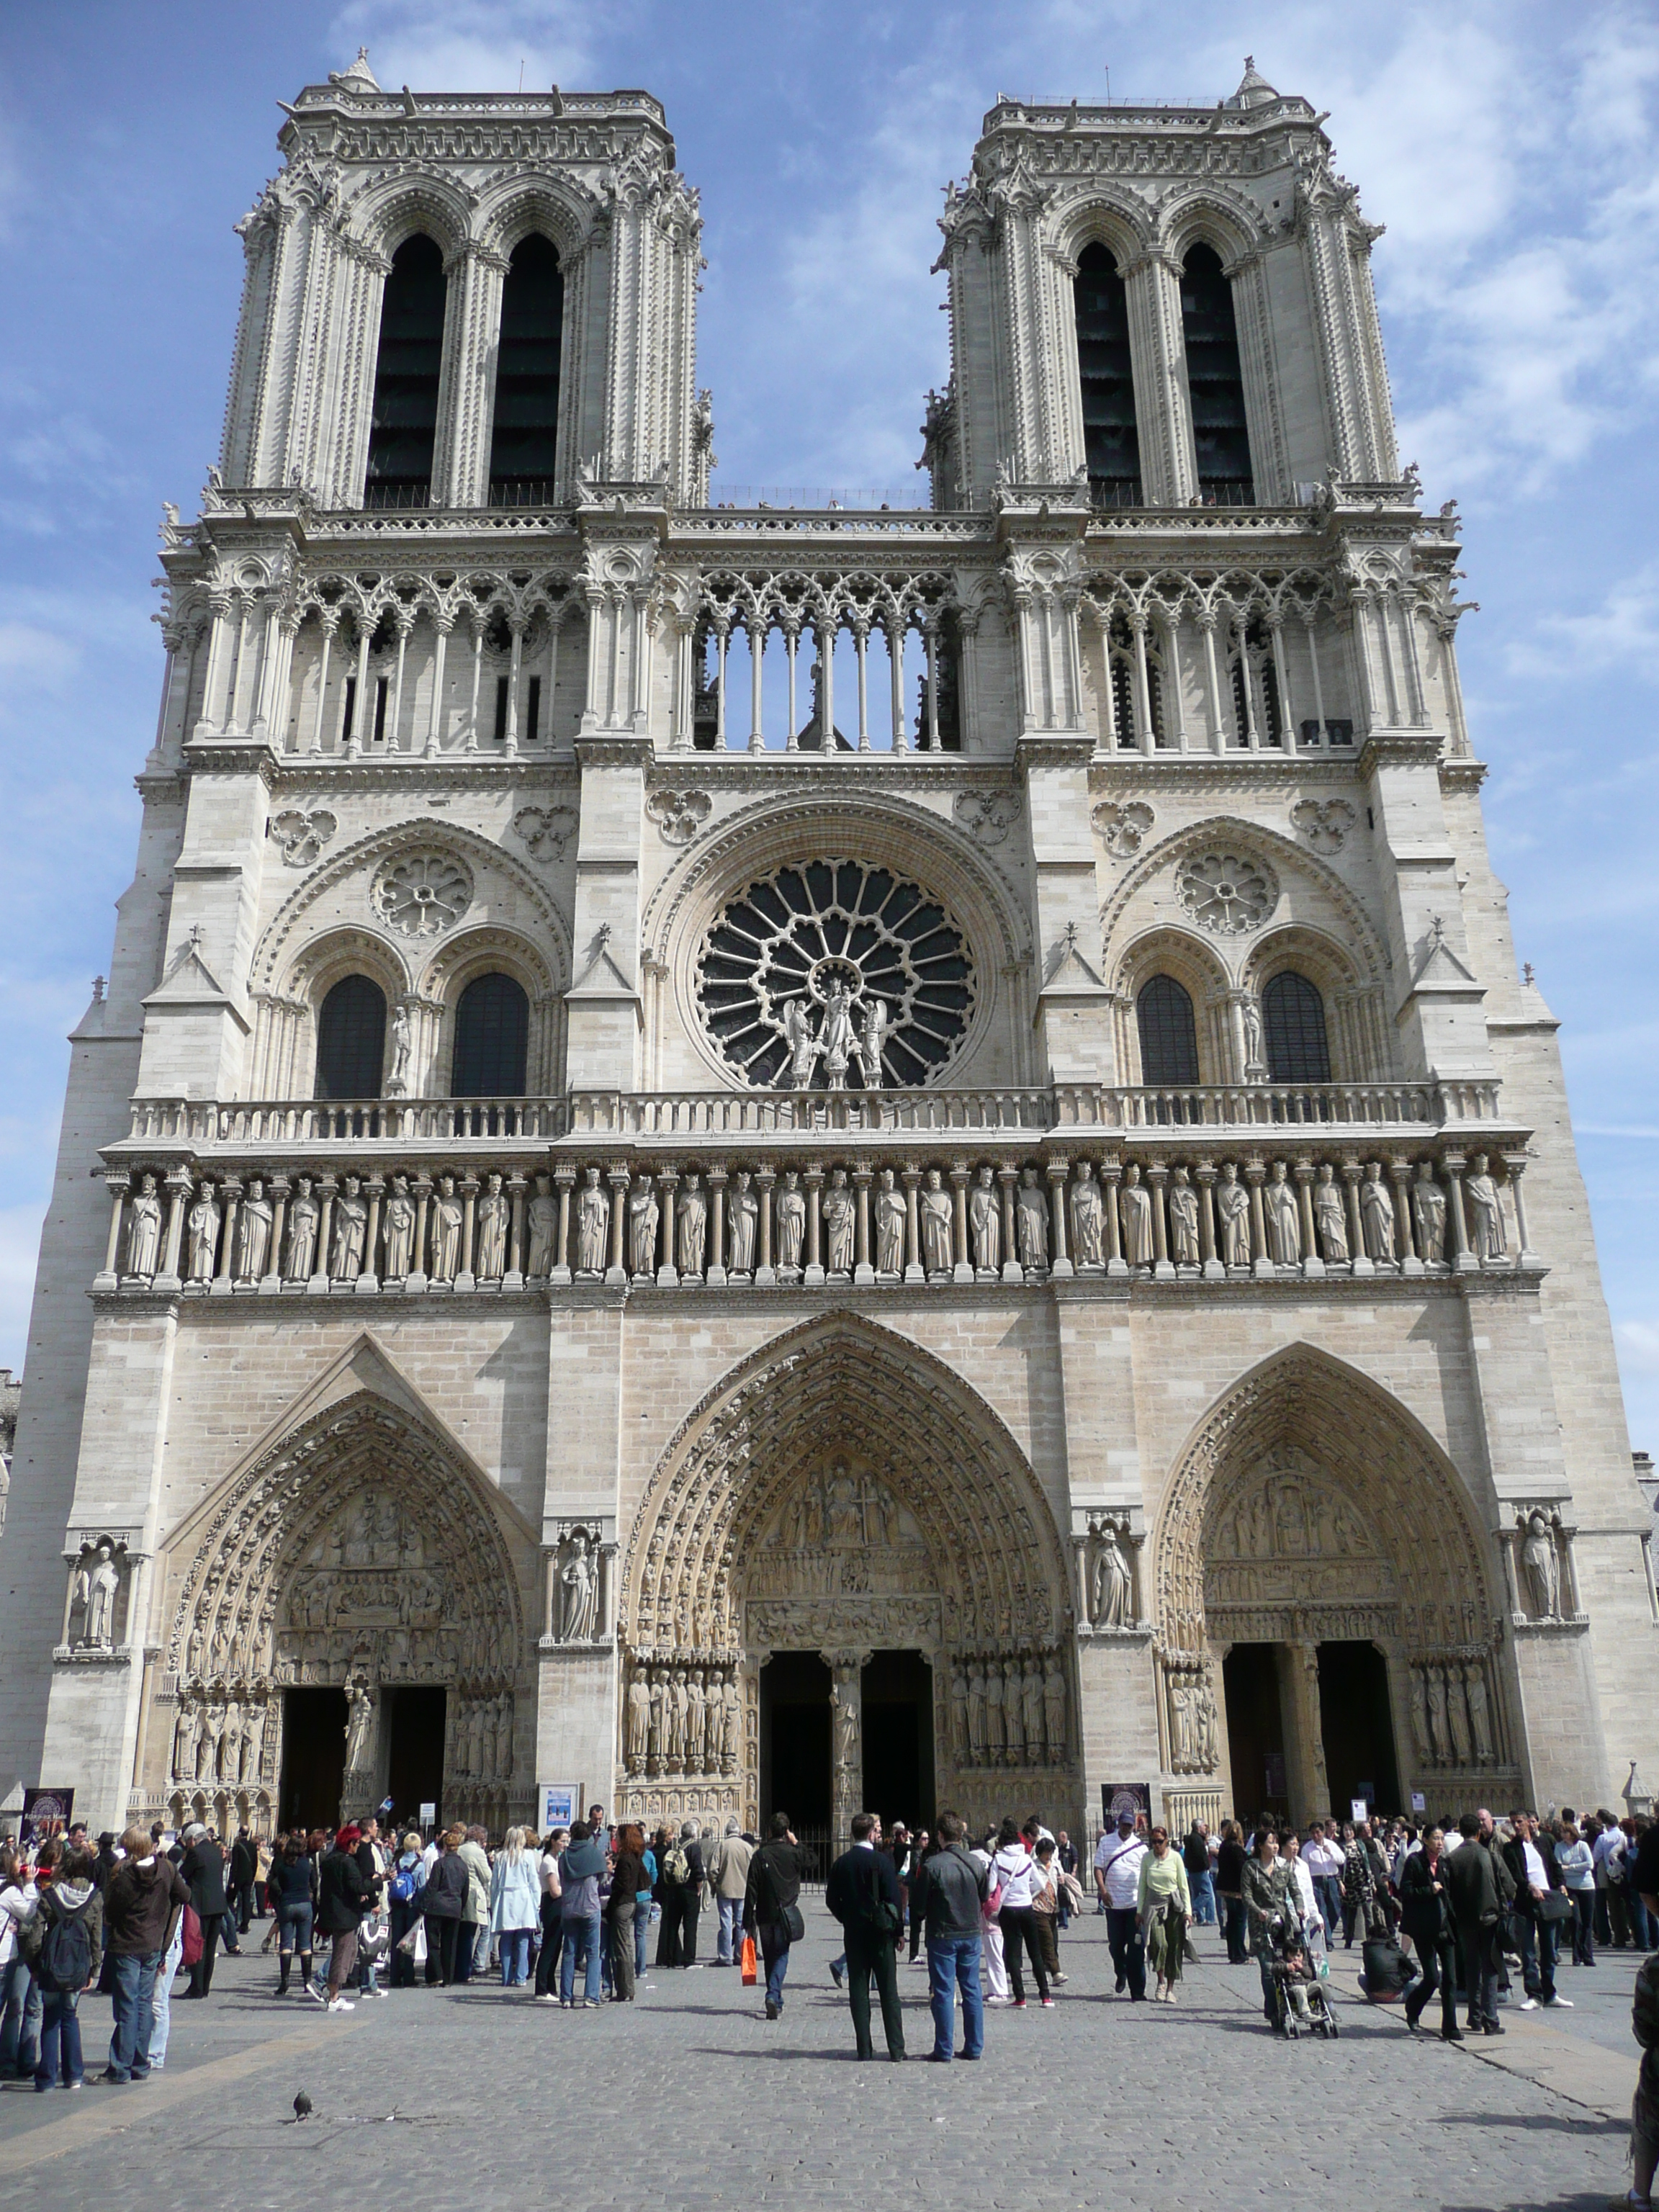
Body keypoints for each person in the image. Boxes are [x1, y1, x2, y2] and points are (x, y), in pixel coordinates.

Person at [99, 1825, 187, 2082]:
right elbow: (185, 1895)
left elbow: (112, 1911)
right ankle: (140, 2063)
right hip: (153, 1945)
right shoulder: (167, 1869)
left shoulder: (125, 1876)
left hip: (127, 1945)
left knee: (127, 2006)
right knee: (144, 2004)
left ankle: (120, 2067)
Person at [20, 1842, 102, 2091]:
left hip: (53, 1965)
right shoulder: (95, 1897)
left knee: (50, 2018)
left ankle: (45, 2078)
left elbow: (35, 1935)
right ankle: (73, 2075)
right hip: (78, 1966)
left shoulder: (51, 1894)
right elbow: (97, 1937)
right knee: (70, 2016)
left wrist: (34, 1964)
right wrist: (94, 1969)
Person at [827, 1812, 906, 2060]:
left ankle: (864, 2049)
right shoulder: (882, 1862)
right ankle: (896, 2049)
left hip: (855, 1934)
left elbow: (832, 1900)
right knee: (888, 1993)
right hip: (881, 1935)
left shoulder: (842, 1863)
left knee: (858, 1991)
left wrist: (847, 1919)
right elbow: (894, 1900)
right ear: (871, 1833)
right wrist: (899, 1932)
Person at [914, 1811, 986, 2062]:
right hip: (971, 1932)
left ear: (940, 1836)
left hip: (943, 1934)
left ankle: (944, 2049)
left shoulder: (932, 1865)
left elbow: (919, 1906)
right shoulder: (976, 1863)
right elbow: (984, 1896)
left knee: (944, 1991)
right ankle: (975, 2047)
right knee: (972, 1989)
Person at [1443, 1812, 1505, 2036]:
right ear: (1479, 1833)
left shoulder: (1451, 1859)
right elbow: (1507, 1883)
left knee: (1471, 1968)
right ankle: (1491, 2019)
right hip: (1489, 1917)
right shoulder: (1488, 1854)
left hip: (1465, 1921)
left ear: (1460, 1833)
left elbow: (1448, 1893)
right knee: (1490, 1968)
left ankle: (1475, 2016)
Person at [1502, 1811, 1570, 2011]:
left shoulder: (1543, 1843)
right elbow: (1514, 1875)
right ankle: (1534, 1994)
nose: (1517, 1825)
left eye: (1520, 1821)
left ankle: (1550, 1992)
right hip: (1526, 1903)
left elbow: (1554, 1866)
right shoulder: (1510, 1848)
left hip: (1548, 1900)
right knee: (1528, 1951)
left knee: (1549, 1949)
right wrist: (1530, 1887)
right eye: (1513, 1822)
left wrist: (1561, 1885)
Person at [1399, 1825, 1461, 2042]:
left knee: (1451, 1979)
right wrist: (1428, 1890)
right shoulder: (1415, 1862)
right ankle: (1413, 2008)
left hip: (1445, 1928)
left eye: (1442, 1838)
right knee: (1433, 1978)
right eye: (1435, 1838)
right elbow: (1404, 1892)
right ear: (1425, 1840)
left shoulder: (1445, 1864)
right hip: (1424, 1928)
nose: (1440, 1843)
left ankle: (1450, 2027)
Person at [742, 1812, 804, 2020]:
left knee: (769, 1956)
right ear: (786, 1832)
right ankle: (773, 1994)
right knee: (782, 1954)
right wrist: (796, 1843)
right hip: (785, 1913)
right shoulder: (793, 1853)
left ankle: (775, 1999)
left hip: (765, 1914)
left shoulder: (760, 1855)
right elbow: (812, 1861)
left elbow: (751, 1888)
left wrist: (747, 1919)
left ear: (769, 1831)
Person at [992, 1816, 1051, 2010]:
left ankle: (1020, 1998)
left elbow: (992, 1886)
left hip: (1008, 1910)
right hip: (1026, 1907)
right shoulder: (1026, 1859)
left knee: (1013, 1953)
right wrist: (1028, 1892)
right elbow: (1041, 1884)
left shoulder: (999, 1859)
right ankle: (1045, 1996)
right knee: (1035, 1952)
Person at [1241, 1828, 1296, 2027]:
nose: (1274, 1846)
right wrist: (1258, 1911)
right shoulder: (1251, 1868)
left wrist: (1300, 1909)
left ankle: (1285, 2006)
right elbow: (1246, 1895)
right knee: (1267, 1969)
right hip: (1260, 1925)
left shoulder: (1284, 1866)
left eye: (1276, 1842)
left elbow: (1294, 1890)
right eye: (1270, 1842)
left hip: (1282, 1923)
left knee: (1284, 1966)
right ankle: (1274, 2011)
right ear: (1260, 1846)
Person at [314, 1825, 370, 2013]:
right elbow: (358, 1885)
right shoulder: (347, 1862)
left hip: (335, 1912)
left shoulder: (331, 1859)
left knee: (350, 1950)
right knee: (342, 1953)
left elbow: (341, 1887)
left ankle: (335, 1991)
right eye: (356, 1844)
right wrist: (380, 1880)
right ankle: (333, 1997)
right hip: (344, 1916)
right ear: (351, 1843)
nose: (358, 1848)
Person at [1096, 1811, 1148, 2001]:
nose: (1126, 1828)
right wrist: (1103, 1891)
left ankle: (1138, 1991)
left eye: (1130, 1825)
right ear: (1119, 1824)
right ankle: (1121, 1971)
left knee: (1136, 1950)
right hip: (1113, 1905)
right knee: (1116, 1946)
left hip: (1134, 1905)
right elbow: (1098, 1868)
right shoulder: (1106, 1842)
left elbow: (1145, 1876)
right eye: (1124, 1825)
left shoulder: (1141, 1848)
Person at [0, 1843, 42, 2080]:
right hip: (3, 1959)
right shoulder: (10, 1892)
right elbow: (30, 1912)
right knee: (11, 2007)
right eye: (19, 1861)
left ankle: (6, 2059)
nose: (22, 1865)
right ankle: (6, 2061)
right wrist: (29, 1884)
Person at [1138, 1825, 1191, 2003]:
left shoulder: (1175, 1858)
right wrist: (1139, 1911)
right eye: (1153, 1842)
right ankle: (1160, 1981)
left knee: (1175, 1946)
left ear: (1167, 1840)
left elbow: (1183, 1886)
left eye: (1160, 1842)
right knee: (1159, 1944)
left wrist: (1188, 1911)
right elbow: (1142, 1887)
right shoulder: (1147, 1859)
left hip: (1174, 1906)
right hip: (1154, 1906)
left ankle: (1170, 1988)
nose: (1157, 1845)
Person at [558, 1818, 607, 2008]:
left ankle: (566, 1997)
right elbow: (602, 1880)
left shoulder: (565, 1856)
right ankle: (591, 1996)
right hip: (590, 1907)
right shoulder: (594, 1853)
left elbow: (562, 1877)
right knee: (592, 1953)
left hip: (569, 1907)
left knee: (569, 1953)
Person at [488, 1827, 541, 1988]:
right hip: (523, 1898)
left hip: (505, 1898)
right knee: (523, 1940)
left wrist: (494, 1901)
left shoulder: (500, 1857)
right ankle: (520, 1977)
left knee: (506, 1939)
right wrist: (537, 1903)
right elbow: (533, 1881)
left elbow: (494, 1883)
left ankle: (506, 1977)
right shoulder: (527, 1856)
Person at [179, 1822, 227, 1997]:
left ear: (192, 1839)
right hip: (218, 1905)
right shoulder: (216, 1850)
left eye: (187, 1842)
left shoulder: (195, 1853)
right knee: (210, 1947)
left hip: (201, 1906)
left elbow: (182, 1873)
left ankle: (196, 1987)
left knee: (198, 1945)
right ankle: (205, 1987)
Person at [417, 1829, 469, 1986]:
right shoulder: (463, 1866)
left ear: (446, 1846)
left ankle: (436, 1975)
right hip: (454, 1907)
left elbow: (432, 1887)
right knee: (450, 1945)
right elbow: (465, 1890)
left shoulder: (439, 1864)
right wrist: (460, 1907)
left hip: (437, 1907)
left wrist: (423, 1906)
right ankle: (448, 1978)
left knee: (433, 1943)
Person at [267, 1831, 317, 1997]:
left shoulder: (283, 1865)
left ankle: (285, 1982)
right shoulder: (307, 1864)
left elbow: (274, 1882)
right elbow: (314, 1883)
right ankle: (307, 1981)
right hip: (304, 1903)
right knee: (305, 1945)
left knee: (286, 1945)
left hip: (287, 1904)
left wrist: (282, 1894)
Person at [657, 1820, 706, 1969]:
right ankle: (689, 1959)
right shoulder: (694, 1848)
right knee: (690, 1926)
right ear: (694, 1834)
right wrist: (699, 1889)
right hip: (690, 1890)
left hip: (673, 1890)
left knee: (673, 1925)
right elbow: (698, 1872)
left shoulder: (671, 1847)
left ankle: (670, 1959)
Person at [710, 1817, 754, 1966]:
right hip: (743, 1890)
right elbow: (754, 1870)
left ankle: (726, 1956)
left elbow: (712, 1870)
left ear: (726, 1832)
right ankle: (740, 1955)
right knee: (741, 1923)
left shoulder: (721, 1845)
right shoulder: (747, 1847)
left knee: (726, 1922)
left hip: (725, 1890)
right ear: (739, 1832)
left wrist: (716, 1884)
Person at [385, 1831, 425, 1990]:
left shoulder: (397, 1862)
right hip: (411, 1906)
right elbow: (422, 1888)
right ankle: (408, 1976)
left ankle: (394, 1976)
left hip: (397, 1905)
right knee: (410, 1941)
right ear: (417, 1847)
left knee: (396, 1940)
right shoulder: (419, 1865)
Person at [1554, 1820, 1596, 1968]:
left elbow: (1589, 1865)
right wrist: (1573, 1869)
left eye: (1566, 1832)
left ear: (1572, 1833)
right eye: (1562, 1832)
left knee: (1587, 1922)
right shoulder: (1559, 1847)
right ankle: (1576, 1956)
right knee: (1576, 1921)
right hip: (1571, 1889)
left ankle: (1588, 1955)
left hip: (1587, 1887)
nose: (1563, 1835)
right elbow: (1558, 1866)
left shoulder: (1582, 1846)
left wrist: (1569, 1867)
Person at [457, 1825, 491, 1984]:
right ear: (481, 1838)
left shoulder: (460, 1848)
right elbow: (487, 1876)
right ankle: (465, 1971)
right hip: (473, 1894)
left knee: (461, 1934)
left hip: (459, 1893)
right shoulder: (477, 1852)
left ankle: (458, 1969)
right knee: (469, 1934)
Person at [1215, 1820, 1249, 1964]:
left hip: (1225, 1887)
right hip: (1237, 1888)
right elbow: (1243, 1868)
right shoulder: (1236, 1848)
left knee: (1231, 1921)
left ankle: (1232, 1953)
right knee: (1240, 1921)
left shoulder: (1224, 1846)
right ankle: (1240, 1954)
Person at [1182, 1822, 1215, 1925]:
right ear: (1198, 1827)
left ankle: (1202, 1918)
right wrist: (1206, 1865)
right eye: (1203, 1826)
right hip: (1200, 1871)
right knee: (1208, 1894)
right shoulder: (1196, 1839)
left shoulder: (1193, 1839)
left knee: (1197, 1893)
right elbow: (1200, 1855)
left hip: (1193, 1870)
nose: (1205, 1827)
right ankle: (1193, 1908)